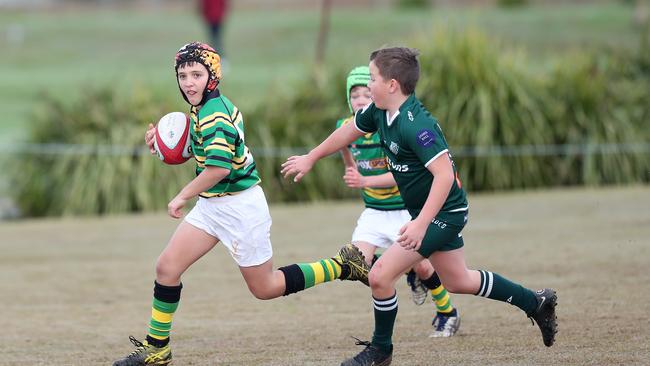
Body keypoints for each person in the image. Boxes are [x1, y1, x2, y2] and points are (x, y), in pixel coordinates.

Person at [281, 47, 558, 366]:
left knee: (380, 275)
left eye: (372, 79)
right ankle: (537, 303)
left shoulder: (417, 126)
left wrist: (421, 223)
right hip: (432, 213)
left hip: (444, 214)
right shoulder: (380, 112)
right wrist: (311, 156)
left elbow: (443, 177)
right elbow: (348, 131)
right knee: (459, 281)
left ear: (392, 85)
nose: (367, 87)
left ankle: (380, 350)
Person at [112, 42, 370, 366]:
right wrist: (162, 147)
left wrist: (182, 195)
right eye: (182, 75)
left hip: (241, 208)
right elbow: (198, 149)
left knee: (265, 288)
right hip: (212, 206)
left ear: (212, 77)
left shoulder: (215, 114)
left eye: (196, 74)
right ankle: (157, 349)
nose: (189, 81)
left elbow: (218, 168)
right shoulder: (202, 109)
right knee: (167, 268)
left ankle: (342, 265)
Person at [337, 65, 460, 338]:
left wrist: (366, 181)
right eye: (354, 94)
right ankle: (405, 269)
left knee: (425, 266)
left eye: (365, 93)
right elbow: (344, 145)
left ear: (377, 96)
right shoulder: (346, 127)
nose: (359, 99)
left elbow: (401, 175)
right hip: (373, 211)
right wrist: (352, 169)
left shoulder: (387, 126)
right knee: (356, 264)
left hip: (404, 210)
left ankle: (447, 312)